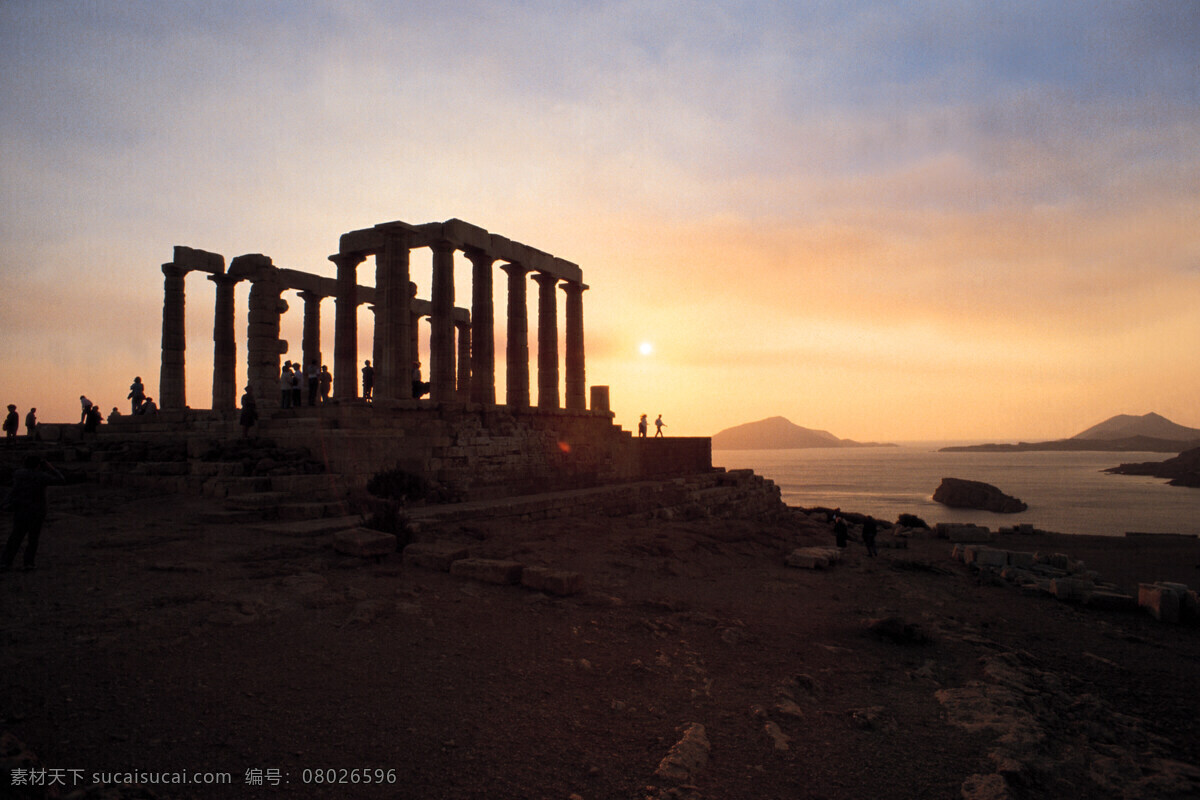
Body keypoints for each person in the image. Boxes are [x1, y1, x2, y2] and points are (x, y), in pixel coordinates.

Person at [1, 455, 65, 570]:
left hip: (21, 510)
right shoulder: (41, 476)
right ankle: (28, 563)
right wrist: (51, 468)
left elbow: (13, 491)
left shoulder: (18, 474)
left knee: (15, 537)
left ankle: (6, 562)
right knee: (33, 538)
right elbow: (61, 480)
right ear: (38, 465)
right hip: (37, 511)